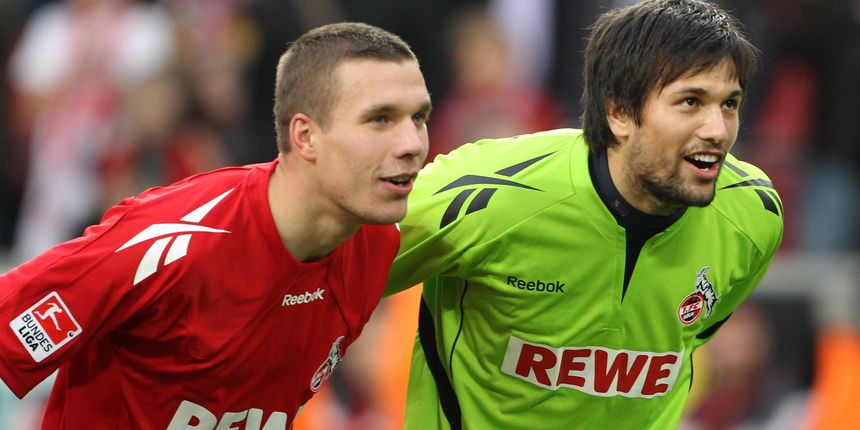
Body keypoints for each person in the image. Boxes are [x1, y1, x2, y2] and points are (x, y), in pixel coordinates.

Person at [0, 21, 431, 429]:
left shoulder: (377, 246)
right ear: (305, 137)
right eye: (380, 119)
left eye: (419, 117)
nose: (412, 143)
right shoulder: (170, 241)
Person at [385, 1, 784, 429]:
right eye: (690, 101)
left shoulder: (754, 216)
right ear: (619, 112)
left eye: (729, 104)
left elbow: (698, 329)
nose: (717, 129)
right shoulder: (488, 196)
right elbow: (334, 273)